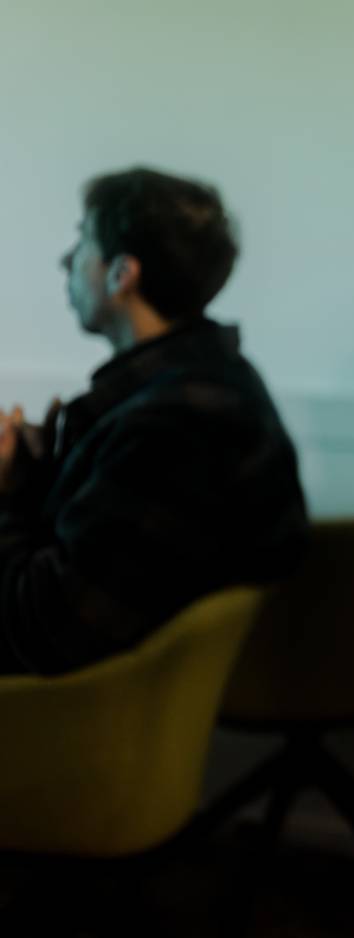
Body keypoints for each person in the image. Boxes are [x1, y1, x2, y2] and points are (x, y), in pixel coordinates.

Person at [0, 167, 307, 675]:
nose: (65, 260)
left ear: (122, 274)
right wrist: (33, 477)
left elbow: (43, 631)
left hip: (74, 709)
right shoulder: (211, 384)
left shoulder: (175, 429)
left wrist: (7, 498)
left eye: (82, 242)